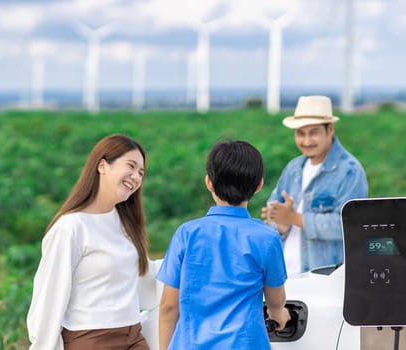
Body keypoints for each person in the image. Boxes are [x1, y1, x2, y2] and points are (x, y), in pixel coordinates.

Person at [157, 140, 290, 349]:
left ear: (209, 182)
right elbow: (275, 299)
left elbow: (168, 306)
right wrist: (279, 314)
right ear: (258, 185)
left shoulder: (186, 234)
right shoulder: (266, 238)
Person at [26, 134, 154, 350]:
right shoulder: (71, 228)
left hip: (133, 337)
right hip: (91, 340)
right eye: (130, 166)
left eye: (141, 172)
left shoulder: (124, 223)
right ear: (102, 165)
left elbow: (146, 277)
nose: (136, 177)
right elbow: (49, 297)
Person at [261, 95, 368, 276]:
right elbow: (274, 215)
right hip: (285, 277)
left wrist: (294, 218)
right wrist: (279, 224)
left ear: (330, 129)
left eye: (314, 132)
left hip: (324, 281)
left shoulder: (350, 171)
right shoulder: (293, 168)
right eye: (301, 133)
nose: (307, 141)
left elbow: (349, 225)